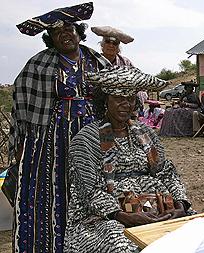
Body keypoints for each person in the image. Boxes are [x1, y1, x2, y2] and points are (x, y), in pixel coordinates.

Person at [10, 3, 111, 252]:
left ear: (79, 32)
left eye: (69, 29)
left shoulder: (96, 61)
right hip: (51, 140)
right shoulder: (39, 65)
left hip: (91, 135)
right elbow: (22, 103)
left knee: (92, 186)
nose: (64, 35)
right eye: (57, 33)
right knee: (51, 192)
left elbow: (115, 94)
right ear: (50, 39)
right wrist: (22, 142)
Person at [64, 66, 188, 253]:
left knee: (188, 235)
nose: (126, 104)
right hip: (105, 216)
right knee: (120, 244)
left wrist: (180, 204)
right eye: (118, 98)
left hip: (158, 208)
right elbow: (88, 190)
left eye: (130, 99)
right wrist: (122, 216)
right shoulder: (87, 138)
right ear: (105, 101)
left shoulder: (145, 133)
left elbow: (166, 172)